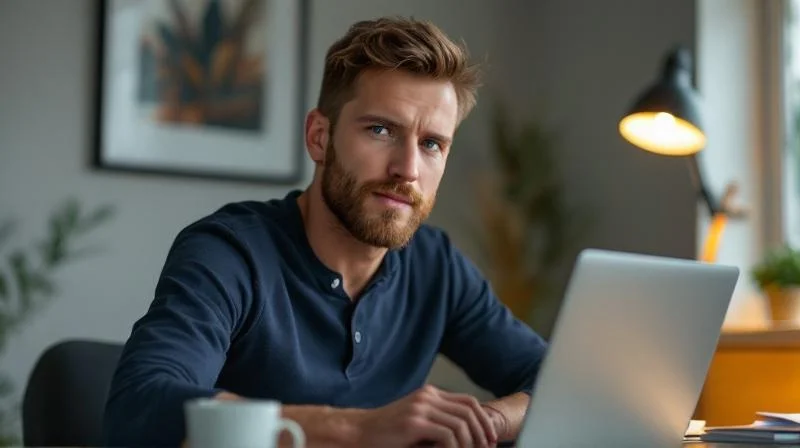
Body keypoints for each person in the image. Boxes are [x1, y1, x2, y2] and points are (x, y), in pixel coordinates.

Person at [103, 16, 549, 448]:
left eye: (432, 143)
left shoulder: (437, 266)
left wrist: (483, 423)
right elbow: (140, 405)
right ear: (319, 137)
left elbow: (555, 380)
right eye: (380, 130)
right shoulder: (230, 252)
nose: (407, 170)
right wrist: (358, 431)